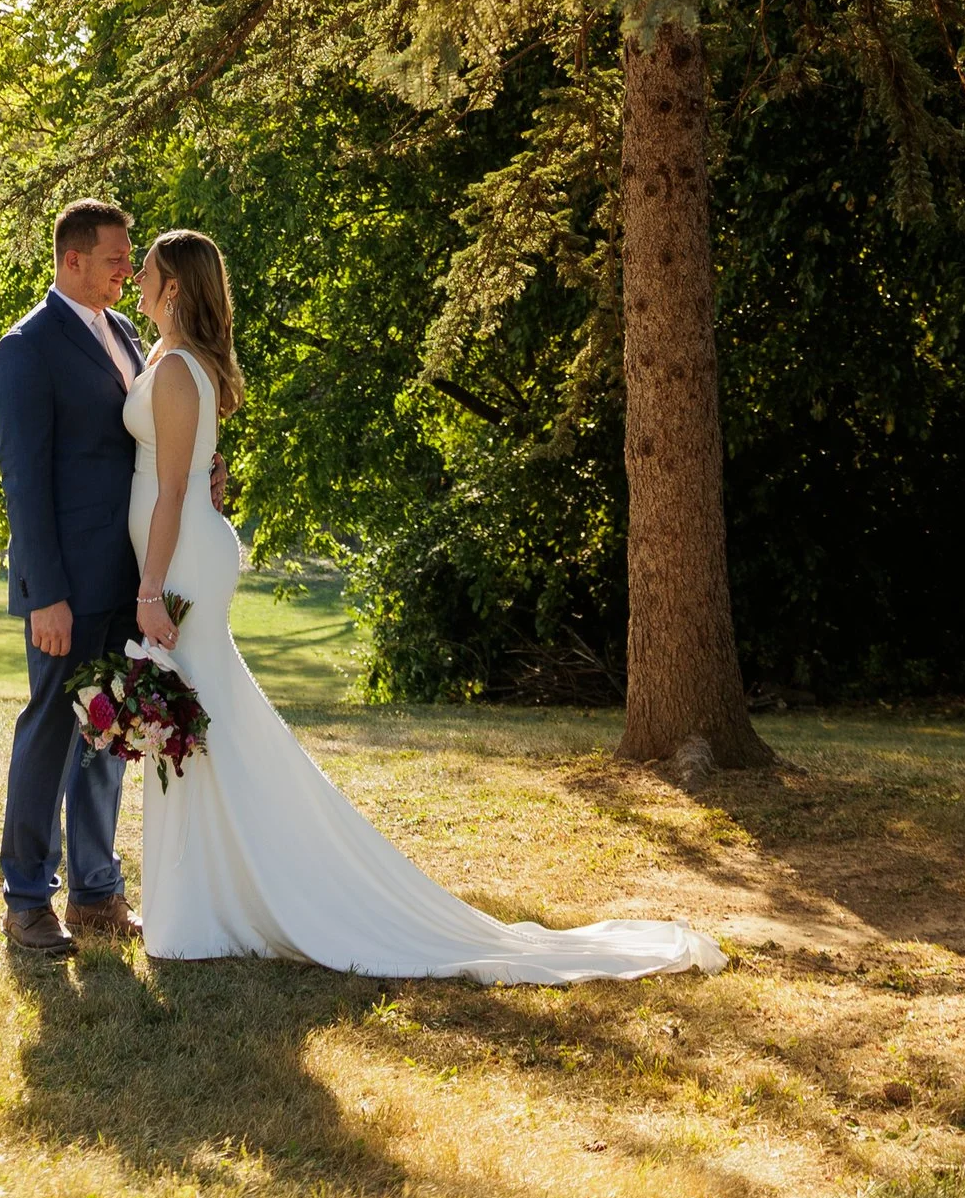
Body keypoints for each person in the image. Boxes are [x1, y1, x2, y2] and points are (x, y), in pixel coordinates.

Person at [125, 227, 722, 980]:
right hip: (179, 551)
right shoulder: (165, 358)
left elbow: (174, 487)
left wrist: (150, 590)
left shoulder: (178, 368)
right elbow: (190, 464)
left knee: (195, 721)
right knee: (200, 723)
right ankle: (201, 901)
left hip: (179, 565)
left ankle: (223, 904)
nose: (136, 278)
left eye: (145, 269)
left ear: (173, 285)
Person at [0, 198, 150, 957]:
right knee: (52, 731)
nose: (129, 268)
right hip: (65, 587)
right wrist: (43, 592)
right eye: (116, 257)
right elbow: (24, 480)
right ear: (72, 260)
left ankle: (95, 890)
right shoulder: (28, 347)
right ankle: (27, 898)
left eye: (130, 257)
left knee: (108, 733)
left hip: (126, 578)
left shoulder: (125, 333)